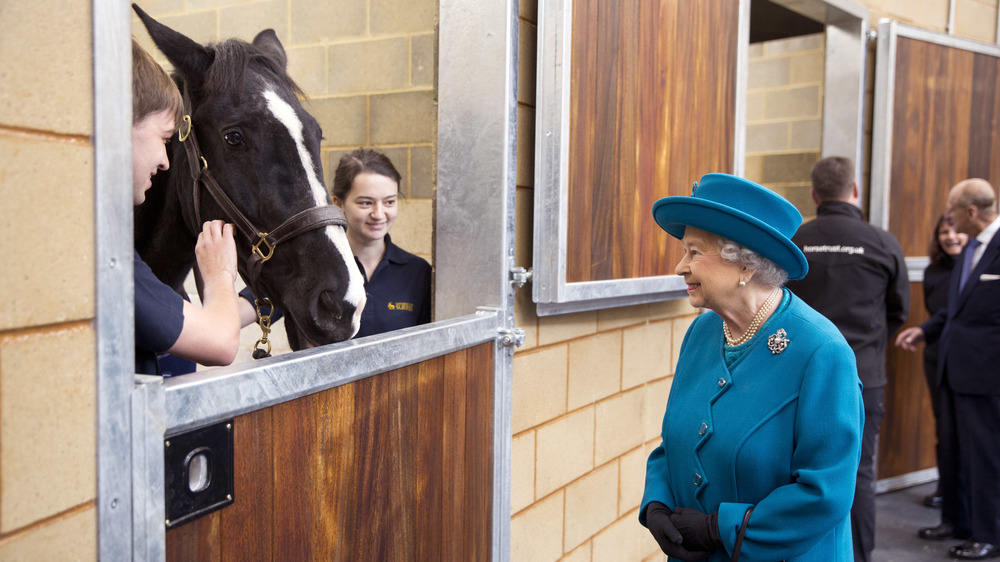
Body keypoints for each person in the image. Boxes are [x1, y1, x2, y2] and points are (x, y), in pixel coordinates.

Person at [640, 173, 863, 561]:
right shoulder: (703, 332)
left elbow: (824, 494)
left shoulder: (822, 354)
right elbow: (674, 440)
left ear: (745, 265)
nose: (680, 266)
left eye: (694, 252)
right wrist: (656, 505)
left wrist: (719, 530)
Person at [785, 156, 909, 562]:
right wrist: (869, 350)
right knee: (857, 476)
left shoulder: (794, 241)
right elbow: (899, 311)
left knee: (798, 475)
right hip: (863, 377)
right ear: (854, 190)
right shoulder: (883, 242)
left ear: (814, 194)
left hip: (796, 379)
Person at [895, 178, 1000, 560]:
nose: (949, 218)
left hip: (987, 377)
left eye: (953, 210)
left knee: (985, 456)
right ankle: (955, 522)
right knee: (953, 449)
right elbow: (956, 311)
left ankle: (988, 533)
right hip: (951, 370)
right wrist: (924, 330)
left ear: (970, 212)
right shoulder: (971, 248)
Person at [132, 38, 250, 375]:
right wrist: (219, 276)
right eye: (165, 139)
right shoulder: (108, 261)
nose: (165, 161)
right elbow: (220, 343)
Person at [331, 149, 431, 338]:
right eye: (366, 203)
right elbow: (258, 308)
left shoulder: (418, 273)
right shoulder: (314, 268)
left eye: (389, 202)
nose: (378, 214)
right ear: (338, 204)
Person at [920, 214, 968, 509]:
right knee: (944, 428)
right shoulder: (932, 271)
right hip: (937, 357)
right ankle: (946, 487)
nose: (951, 236)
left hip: (970, 360)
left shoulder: (976, 269)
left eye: (957, 230)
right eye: (944, 232)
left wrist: (923, 330)